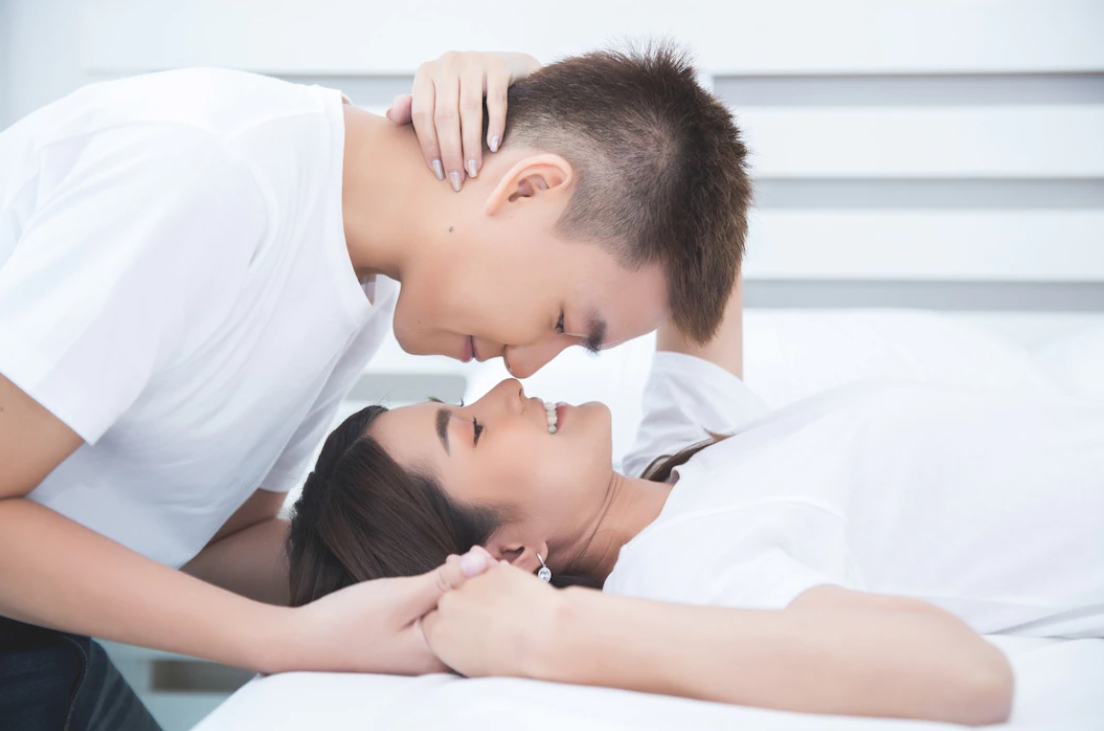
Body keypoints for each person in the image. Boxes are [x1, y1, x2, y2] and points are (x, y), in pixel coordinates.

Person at [0, 44, 752, 730]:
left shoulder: (354, 277)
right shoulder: (210, 179)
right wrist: (285, 639)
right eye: (560, 320)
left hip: (42, 639)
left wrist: (452, 570)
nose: (524, 369)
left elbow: (219, 543)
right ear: (526, 189)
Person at [286, 276, 1104, 726]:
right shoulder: (684, 568)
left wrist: (516, 99)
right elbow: (970, 677)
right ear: (506, 556)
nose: (501, 388)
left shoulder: (675, 460)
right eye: (469, 430)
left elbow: (697, 210)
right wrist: (552, 631)